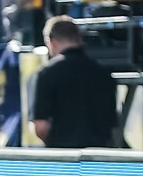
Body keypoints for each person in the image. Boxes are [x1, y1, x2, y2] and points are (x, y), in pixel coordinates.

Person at [29, 16, 118, 148]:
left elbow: (41, 127)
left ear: (51, 42)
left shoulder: (46, 74)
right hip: (97, 157)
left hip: (64, 158)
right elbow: (112, 124)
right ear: (79, 39)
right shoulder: (102, 72)